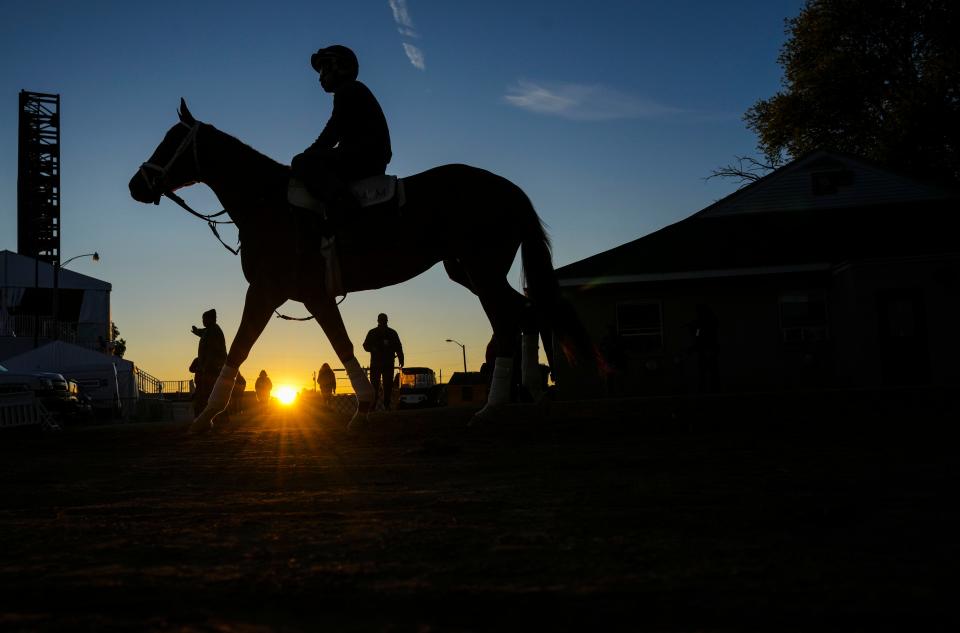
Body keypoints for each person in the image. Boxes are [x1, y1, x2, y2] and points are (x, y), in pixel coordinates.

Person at [291, 44, 392, 224]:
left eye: (323, 70)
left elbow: (332, 133)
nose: (320, 78)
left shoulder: (348, 90)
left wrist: (308, 155)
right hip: (369, 156)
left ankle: (343, 204)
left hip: (363, 157)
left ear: (339, 67)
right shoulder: (352, 90)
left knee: (301, 162)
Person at [362, 313, 404, 410]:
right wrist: (373, 348)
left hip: (384, 363)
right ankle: (377, 405)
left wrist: (401, 358)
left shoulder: (389, 333)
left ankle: (383, 405)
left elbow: (398, 346)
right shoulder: (381, 332)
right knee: (377, 386)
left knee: (384, 385)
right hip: (380, 363)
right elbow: (365, 346)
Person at [191, 309, 227, 418]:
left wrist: (206, 367)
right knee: (206, 394)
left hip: (212, 369)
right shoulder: (209, 330)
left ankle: (216, 417)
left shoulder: (214, 331)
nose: (203, 321)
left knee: (209, 394)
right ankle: (208, 416)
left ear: (210, 319)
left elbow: (212, 352)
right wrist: (197, 331)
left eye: (204, 319)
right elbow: (203, 332)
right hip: (207, 368)